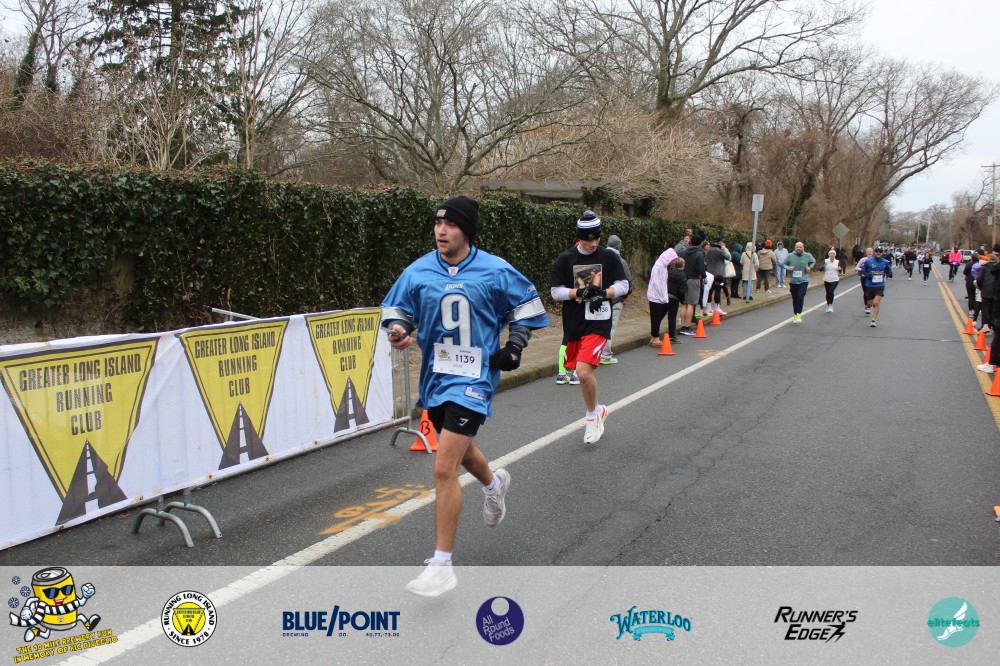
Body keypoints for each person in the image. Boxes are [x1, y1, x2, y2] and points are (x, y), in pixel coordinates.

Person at [382, 195, 549, 597]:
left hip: (475, 377)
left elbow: (526, 306)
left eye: (451, 225)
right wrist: (398, 331)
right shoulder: (418, 270)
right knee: (462, 448)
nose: (441, 231)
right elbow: (396, 310)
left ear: (467, 231)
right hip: (437, 376)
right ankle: (494, 484)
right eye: (437, 224)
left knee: (444, 468)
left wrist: (516, 345)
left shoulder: (495, 269)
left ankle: (442, 565)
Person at [550, 210, 629, 444]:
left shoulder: (609, 257)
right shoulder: (566, 259)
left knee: (583, 372)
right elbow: (555, 292)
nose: (593, 243)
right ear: (579, 237)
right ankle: (599, 410)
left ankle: (592, 417)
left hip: (599, 321)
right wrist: (579, 292)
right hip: (575, 323)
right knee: (580, 373)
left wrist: (603, 293)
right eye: (588, 239)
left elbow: (624, 284)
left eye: (596, 238)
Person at [601, 235, 632, 365]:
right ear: (619, 246)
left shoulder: (599, 257)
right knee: (610, 327)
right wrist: (622, 297)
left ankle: (594, 353)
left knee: (597, 327)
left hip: (598, 299)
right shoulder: (621, 261)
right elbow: (628, 283)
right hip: (614, 299)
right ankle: (605, 355)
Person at [647, 246, 678, 348]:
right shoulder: (661, 267)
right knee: (657, 317)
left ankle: (653, 337)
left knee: (656, 316)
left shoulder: (659, 265)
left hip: (655, 295)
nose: (672, 262)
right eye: (672, 260)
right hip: (657, 296)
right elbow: (659, 283)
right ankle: (655, 338)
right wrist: (663, 297)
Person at [782, 241, 816, 324]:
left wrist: (809, 267)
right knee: (795, 299)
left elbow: (813, 262)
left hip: (803, 280)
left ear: (803, 248)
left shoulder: (807, 255)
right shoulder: (790, 256)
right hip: (793, 281)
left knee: (800, 297)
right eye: (797, 247)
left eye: (800, 247)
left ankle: (799, 315)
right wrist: (788, 268)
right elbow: (783, 264)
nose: (799, 249)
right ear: (795, 248)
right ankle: (795, 314)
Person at [679, 239, 707, 335]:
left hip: (683, 278)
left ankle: (682, 326)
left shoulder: (683, 252)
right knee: (691, 304)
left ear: (691, 242)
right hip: (693, 279)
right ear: (700, 243)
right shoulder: (699, 254)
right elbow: (701, 268)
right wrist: (704, 276)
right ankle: (687, 327)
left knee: (684, 304)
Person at [860, 246, 893, 327]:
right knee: (870, 303)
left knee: (877, 302)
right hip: (870, 285)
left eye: (880, 251)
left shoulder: (886, 262)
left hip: (880, 285)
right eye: (877, 251)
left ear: (882, 252)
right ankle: (868, 306)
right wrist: (867, 275)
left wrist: (890, 273)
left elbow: (889, 270)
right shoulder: (868, 261)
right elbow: (863, 270)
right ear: (875, 252)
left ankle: (873, 320)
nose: (878, 253)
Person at [704, 237, 731, 316]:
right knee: (718, 290)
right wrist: (724, 249)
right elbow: (728, 257)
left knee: (710, 291)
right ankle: (717, 307)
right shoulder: (720, 251)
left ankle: (709, 307)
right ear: (720, 243)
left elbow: (705, 261)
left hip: (709, 273)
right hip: (719, 274)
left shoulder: (708, 251)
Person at [856, 247, 873, 312]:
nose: (869, 253)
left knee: (871, 292)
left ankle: (870, 304)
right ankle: (866, 306)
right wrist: (863, 270)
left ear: (872, 253)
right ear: (866, 253)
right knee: (866, 292)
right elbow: (857, 267)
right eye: (868, 251)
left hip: (872, 278)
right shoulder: (863, 259)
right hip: (864, 277)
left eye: (870, 251)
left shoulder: (874, 260)